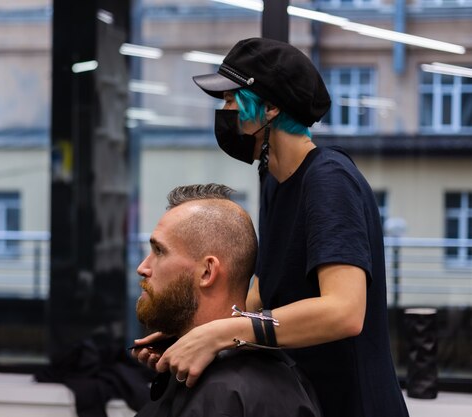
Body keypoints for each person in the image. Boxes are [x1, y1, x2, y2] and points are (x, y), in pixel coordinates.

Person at [132, 38, 409, 417]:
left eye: (231, 100)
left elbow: (344, 311)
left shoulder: (329, 180)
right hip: (302, 397)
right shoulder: (276, 182)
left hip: (351, 405)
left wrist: (221, 334)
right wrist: (191, 337)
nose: (225, 112)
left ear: (271, 107)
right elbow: (262, 294)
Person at [134, 183, 322, 417]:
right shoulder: (211, 376)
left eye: (160, 251)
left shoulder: (235, 393)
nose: (143, 268)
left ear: (207, 272)